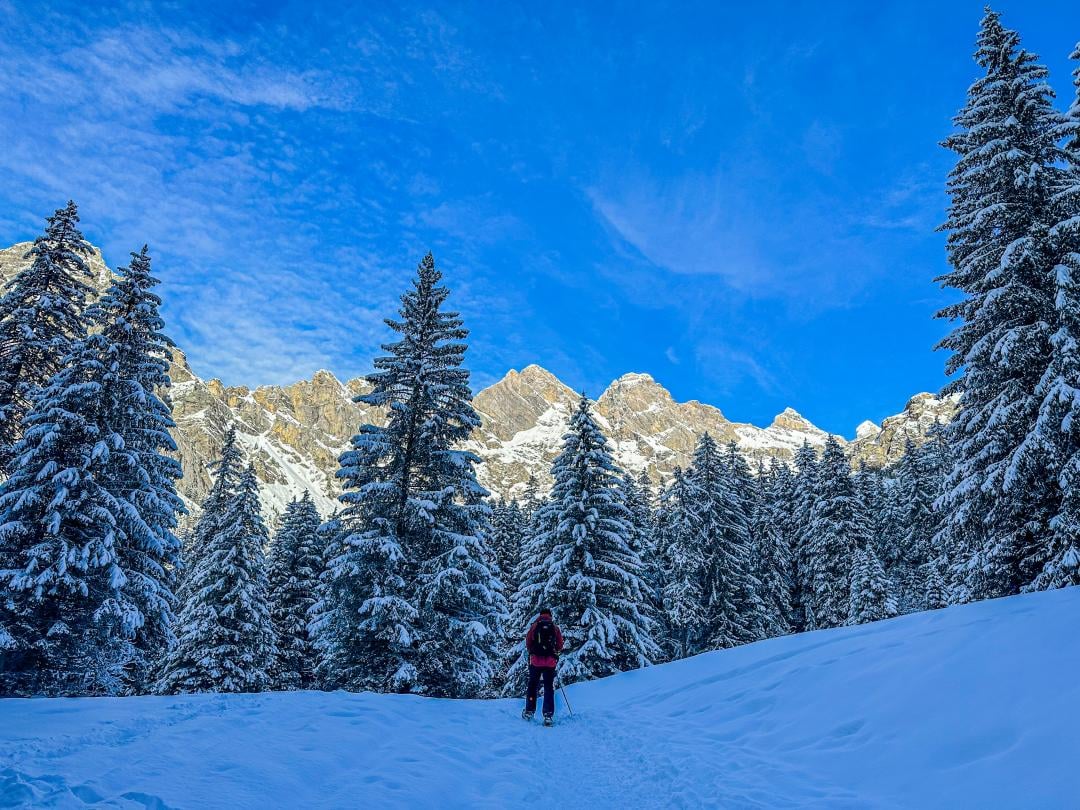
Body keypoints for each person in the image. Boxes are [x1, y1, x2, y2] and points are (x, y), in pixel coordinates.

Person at [522, 608, 564, 725]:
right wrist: (554, 652)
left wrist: (533, 652)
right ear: (550, 616)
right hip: (550, 662)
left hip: (535, 662)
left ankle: (529, 711)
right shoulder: (555, 628)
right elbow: (560, 645)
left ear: (540, 615)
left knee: (533, 685)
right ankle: (548, 715)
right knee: (548, 687)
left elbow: (528, 642)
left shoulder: (534, 626)